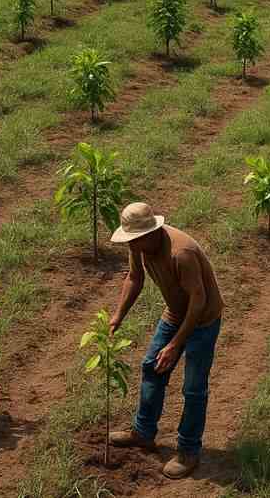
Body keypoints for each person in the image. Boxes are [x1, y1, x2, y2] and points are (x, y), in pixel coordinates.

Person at [107, 202, 224, 479]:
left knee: (194, 388)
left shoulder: (180, 252)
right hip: (174, 312)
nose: (131, 245)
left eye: (134, 240)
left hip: (203, 318)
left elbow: (199, 300)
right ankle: (143, 432)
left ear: (151, 232)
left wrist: (175, 345)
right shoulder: (139, 246)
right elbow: (134, 278)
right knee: (151, 367)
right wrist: (117, 316)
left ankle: (188, 450)